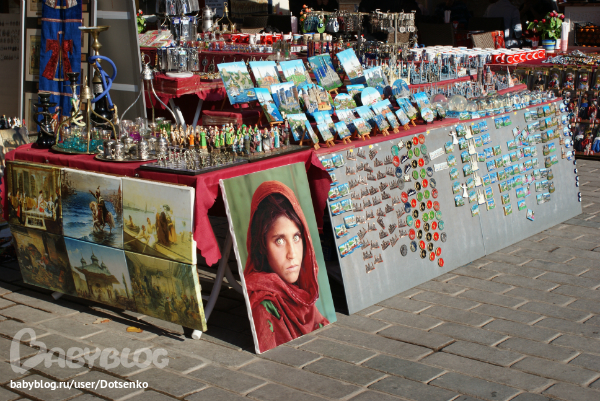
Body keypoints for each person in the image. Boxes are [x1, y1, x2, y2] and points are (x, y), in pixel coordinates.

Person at [244, 181, 329, 353]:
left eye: (296, 237)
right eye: (279, 241)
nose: (292, 254)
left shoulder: (302, 297)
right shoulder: (263, 308)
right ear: (262, 246)